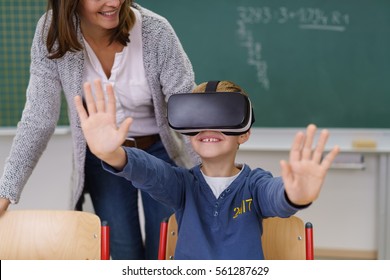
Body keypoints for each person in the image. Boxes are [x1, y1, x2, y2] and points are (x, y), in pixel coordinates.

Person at [0, 0, 198, 260]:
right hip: (103, 156)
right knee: (122, 252)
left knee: (164, 251)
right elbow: (38, 118)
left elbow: (190, 114)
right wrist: (6, 192)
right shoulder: (52, 33)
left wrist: (211, 182)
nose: (113, 2)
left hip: (159, 153)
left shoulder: (155, 31)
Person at [74, 79, 340, 259]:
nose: (208, 128)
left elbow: (277, 196)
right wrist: (112, 154)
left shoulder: (256, 186)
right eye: (198, 118)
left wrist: (297, 195)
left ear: (244, 134)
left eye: (223, 118)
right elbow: (150, 171)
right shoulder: (181, 185)